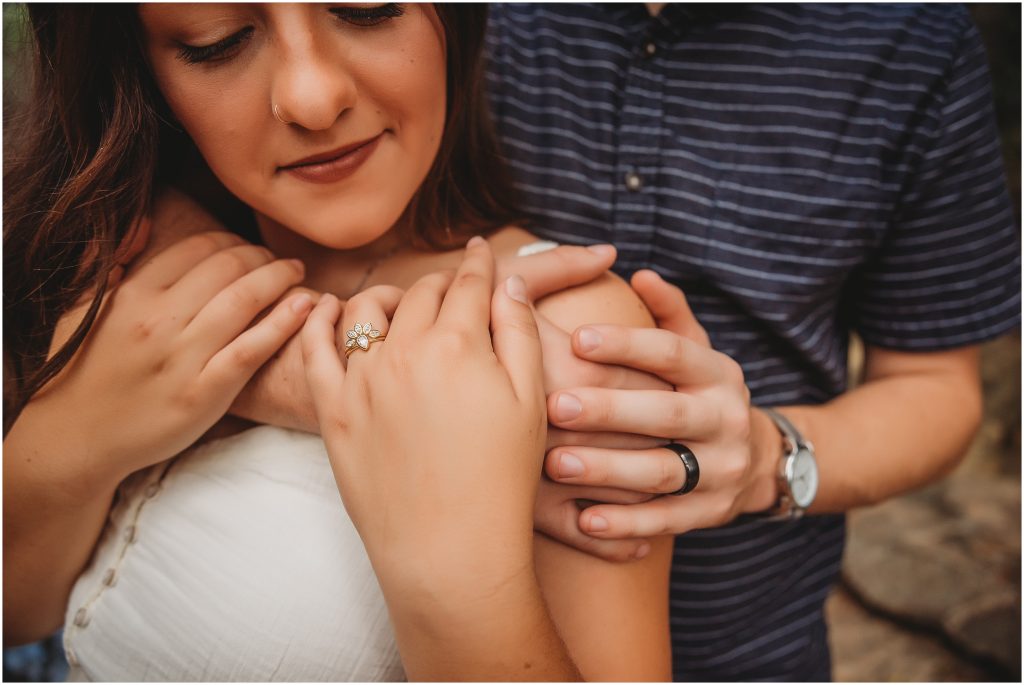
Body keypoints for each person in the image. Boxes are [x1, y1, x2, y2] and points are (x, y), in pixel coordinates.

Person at [3, 4, 674, 680]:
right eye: (217, 43)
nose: (313, 98)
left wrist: (461, 585)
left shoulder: (576, 340)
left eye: (366, 6)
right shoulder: (124, 243)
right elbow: (18, 613)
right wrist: (64, 443)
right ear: (142, 69)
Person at [479, 2, 1021, 680]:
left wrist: (768, 457)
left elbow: (937, 389)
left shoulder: (913, 39)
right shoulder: (456, 16)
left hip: (755, 646)